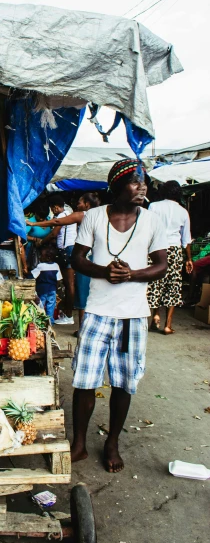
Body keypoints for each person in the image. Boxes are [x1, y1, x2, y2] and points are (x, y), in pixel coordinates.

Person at [70, 159, 167, 473]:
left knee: (123, 384)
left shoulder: (152, 221)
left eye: (144, 183)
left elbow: (162, 264)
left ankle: (112, 443)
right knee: (85, 380)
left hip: (132, 317)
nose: (142, 188)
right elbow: (77, 259)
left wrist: (133, 274)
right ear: (115, 186)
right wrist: (105, 272)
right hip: (98, 312)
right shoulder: (94, 217)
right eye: (135, 182)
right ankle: (80, 443)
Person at [33, 192, 101, 329]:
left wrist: (31, 223)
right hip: (93, 254)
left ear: (87, 205)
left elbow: (56, 223)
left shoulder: (83, 214)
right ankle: (82, 324)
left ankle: (71, 317)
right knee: (84, 288)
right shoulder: (100, 215)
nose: (77, 204)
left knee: (74, 285)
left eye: (80, 202)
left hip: (80, 253)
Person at [147, 180, 193, 334]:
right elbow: (186, 239)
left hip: (156, 248)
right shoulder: (183, 212)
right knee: (173, 286)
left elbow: (147, 230)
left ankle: (156, 316)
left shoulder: (154, 206)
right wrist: (189, 259)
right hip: (174, 251)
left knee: (155, 284)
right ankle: (167, 325)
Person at [47, 194, 77, 325]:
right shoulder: (68, 213)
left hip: (66, 250)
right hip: (70, 249)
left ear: (55, 207)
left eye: (52, 208)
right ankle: (67, 312)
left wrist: (41, 242)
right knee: (68, 284)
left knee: (69, 284)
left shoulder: (61, 216)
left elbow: (54, 233)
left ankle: (69, 315)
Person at [31, 242, 62, 322]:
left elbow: (33, 275)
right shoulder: (56, 265)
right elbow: (59, 279)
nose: (40, 257)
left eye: (41, 255)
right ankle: (50, 320)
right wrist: (57, 289)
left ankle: (41, 320)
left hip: (42, 290)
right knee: (51, 306)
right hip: (52, 290)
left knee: (41, 305)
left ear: (47, 258)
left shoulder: (41, 266)